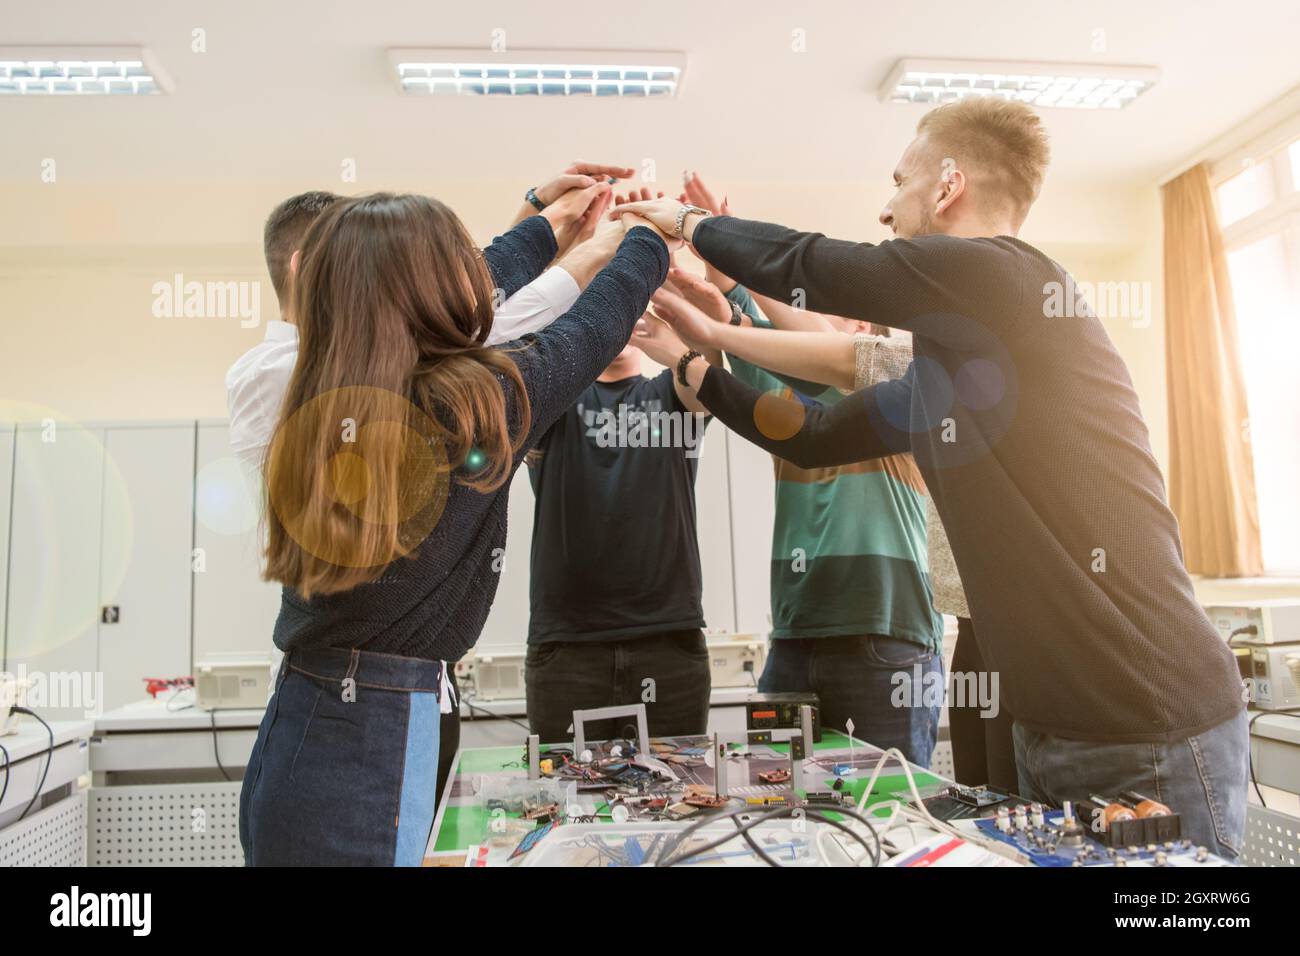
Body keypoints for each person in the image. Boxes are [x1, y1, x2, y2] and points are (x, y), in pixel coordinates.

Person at [616, 96, 1248, 858]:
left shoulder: (1006, 274)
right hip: (1047, 728)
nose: (887, 210)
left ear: (948, 186)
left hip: (1148, 728)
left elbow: (821, 266)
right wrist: (694, 366)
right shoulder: (955, 377)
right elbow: (814, 435)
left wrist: (683, 220)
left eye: (899, 181)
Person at [239, 190, 675, 865]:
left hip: (309, 721)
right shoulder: (468, 405)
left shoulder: (320, 396)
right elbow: (593, 326)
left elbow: (480, 290)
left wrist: (547, 226)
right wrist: (648, 238)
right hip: (368, 738)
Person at [644, 171, 946, 768]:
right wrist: (720, 283)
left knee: (890, 819)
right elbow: (754, 369)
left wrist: (723, 255)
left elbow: (818, 361)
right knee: (779, 811)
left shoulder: (902, 381)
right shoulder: (789, 401)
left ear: (862, 329)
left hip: (887, 639)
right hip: (794, 640)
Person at [524, 190, 720, 743]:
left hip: (671, 646)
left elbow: (712, 374)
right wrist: (583, 245)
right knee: (565, 814)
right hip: (567, 651)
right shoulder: (553, 397)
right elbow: (512, 336)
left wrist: (673, 250)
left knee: (683, 812)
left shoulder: (672, 394)